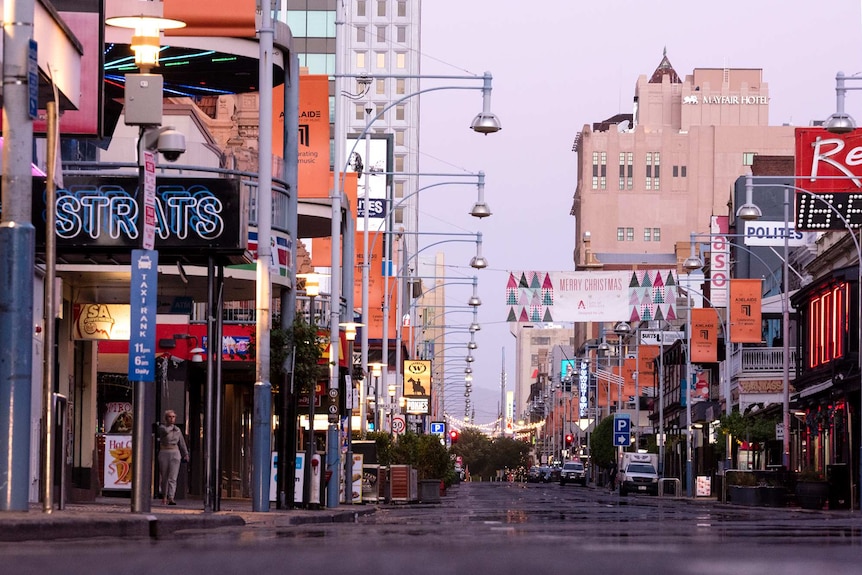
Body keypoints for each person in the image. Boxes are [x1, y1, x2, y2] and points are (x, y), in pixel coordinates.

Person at [157, 410, 189, 505]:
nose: (172, 419)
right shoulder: (162, 428)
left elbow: (182, 442)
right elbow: (165, 432)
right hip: (164, 452)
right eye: (170, 417)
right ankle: (164, 496)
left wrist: (185, 454)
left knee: (173, 477)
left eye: (173, 417)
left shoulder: (178, 430)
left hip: (175, 452)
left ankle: (171, 497)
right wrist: (171, 427)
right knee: (164, 477)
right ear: (166, 418)